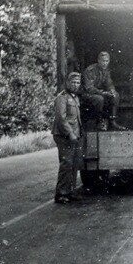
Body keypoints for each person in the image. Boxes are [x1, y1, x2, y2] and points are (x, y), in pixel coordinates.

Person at [52, 72, 83, 204]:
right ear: (67, 83)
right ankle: (61, 194)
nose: (75, 85)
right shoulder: (62, 97)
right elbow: (61, 118)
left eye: (77, 82)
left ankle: (70, 191)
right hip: (64, 135)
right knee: (66, 164)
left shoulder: (75, 97)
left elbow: (76, 118)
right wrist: (70, 133)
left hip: (74, 135)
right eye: (73, 82)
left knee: (74, 164)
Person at [81, 51, 123, 131]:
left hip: (98, 93)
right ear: (98, 60)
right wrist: (103, 93)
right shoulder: (90, 70)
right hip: (87, 94)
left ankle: (112, 121)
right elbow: (89, 88)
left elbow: (109, 83)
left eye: (107, 61)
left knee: (115, 95)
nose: (105, 63)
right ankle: (99, 121)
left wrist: (112, 90)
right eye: (103, 61)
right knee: (99, 99)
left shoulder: (106, 71)